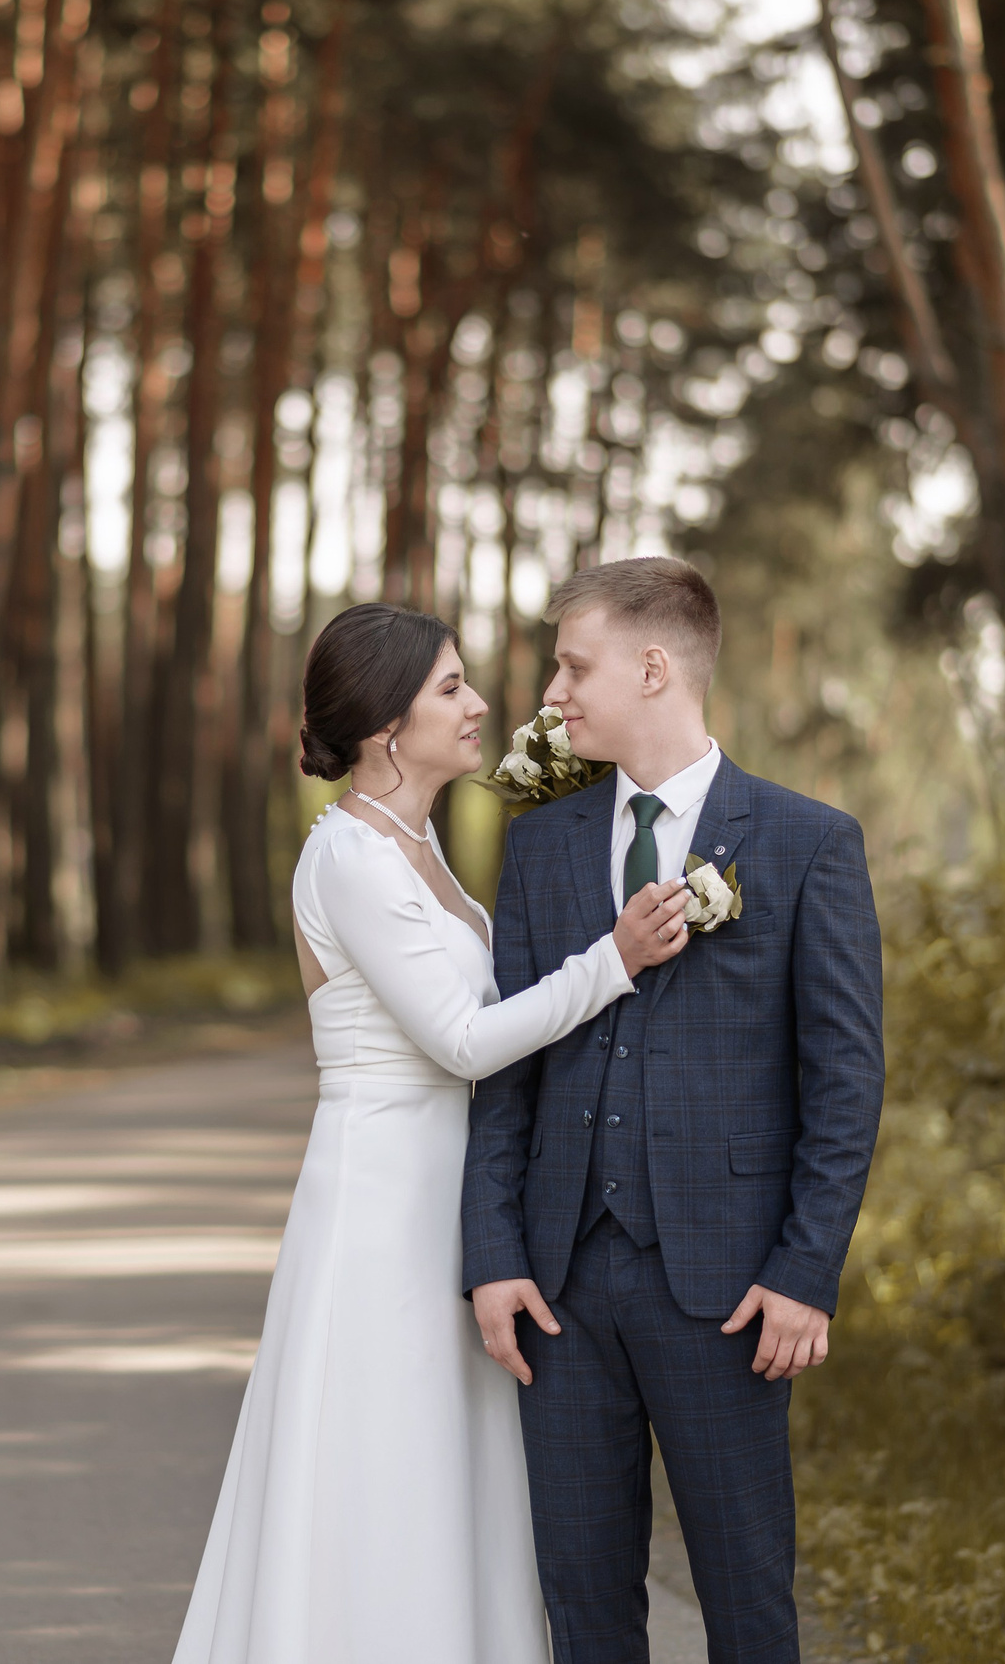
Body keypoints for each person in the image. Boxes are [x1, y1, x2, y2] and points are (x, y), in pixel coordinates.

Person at [172, 602, 694, 1664]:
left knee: (448, 1465)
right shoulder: (349, 861)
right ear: (381, 727)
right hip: (380, 1201)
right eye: (449, 688)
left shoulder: (415, 848)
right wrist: (614, 959)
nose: (480, 705)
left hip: (446, 1194)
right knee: (383, 1462)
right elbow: (460, 1039)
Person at [465, 557, 884, 1663]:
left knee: (747, 1602)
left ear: (653, 668)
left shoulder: (805, 844)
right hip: (559, 1287)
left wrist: (804, 1272)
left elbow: (845, 1083)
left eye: (573, 665)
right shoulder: (543, 843)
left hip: (729, 1292)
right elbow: (506, 1069)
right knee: (586, 1608)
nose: (552, 694)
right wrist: (493, 1254)